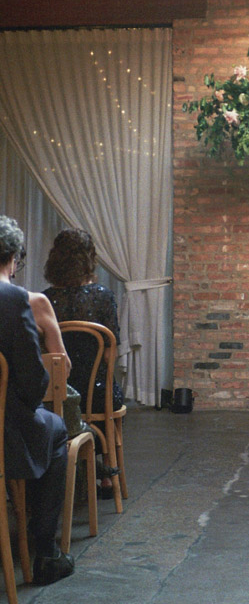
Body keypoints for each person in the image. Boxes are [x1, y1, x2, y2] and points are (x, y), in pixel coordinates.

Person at [0, 215, 75, 585]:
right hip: (6, 433)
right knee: (56, 429)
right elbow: (32, 383)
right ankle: (44, 551)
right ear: (13, 258)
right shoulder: (14, 299)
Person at [43, 228, 123, 495]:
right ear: (90, 259)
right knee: (106, 389)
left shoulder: (45, 300)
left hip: (58, 394)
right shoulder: (103, 296)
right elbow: (111, 353)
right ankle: (107, 472)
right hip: (97, 393)